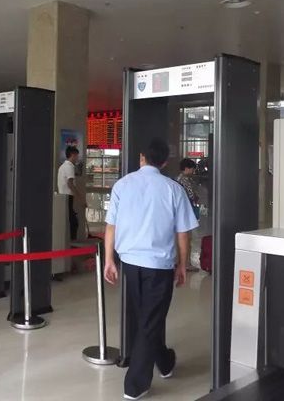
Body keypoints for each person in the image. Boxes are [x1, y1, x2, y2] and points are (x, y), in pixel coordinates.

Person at [103, 139, 198, 400]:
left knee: (147, 318)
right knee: (150, 320)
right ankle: (135, 385)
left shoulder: (122, 185)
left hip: (130, 264)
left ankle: (165, 362)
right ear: (165, 162)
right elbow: (183, 233)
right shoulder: (174, 189)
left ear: (141, 157)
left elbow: (111, 226)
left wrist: (109, 259)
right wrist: (182, 264)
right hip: (158, 266)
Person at [176, 158, 200, 272]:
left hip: (179, 211)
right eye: (192, 169)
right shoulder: (184, 180)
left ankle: (179, 262)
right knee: (187, 238)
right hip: (186, 211)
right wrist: (196, 197)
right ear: (186, 168)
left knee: (179, 238)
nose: (193, 171)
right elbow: (191, 195)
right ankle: (186, 264)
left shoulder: (178, 178)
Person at [57, 146, 84, 241]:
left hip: (62, 196)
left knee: (70, 219)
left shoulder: (62, 166)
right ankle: (72, 241)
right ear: (72, 155)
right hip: (67, 196)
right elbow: (70, 184)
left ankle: (70, 241)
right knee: (73, 222)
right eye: (77, 156)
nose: (77, 158)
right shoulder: (69, 166)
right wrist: (80, 198)